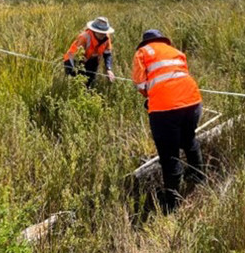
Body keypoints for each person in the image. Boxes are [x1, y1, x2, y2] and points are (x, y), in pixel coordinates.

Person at [131, 29, 205, 213]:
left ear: (145, 42)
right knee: (189, 140)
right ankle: (199, 178)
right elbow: (180, 76)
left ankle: (171, 203)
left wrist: (150, 96)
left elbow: (141, 84)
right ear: (163, 40)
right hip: (193, 102)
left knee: (169, 155)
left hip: (165, 109)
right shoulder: (176, 52)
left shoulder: (142, 52)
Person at [63, 16, 116, 88]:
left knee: (89, 83)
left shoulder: (106, 38)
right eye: (100, 32)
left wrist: (108, 69)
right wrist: (81, 71)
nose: (102, 35)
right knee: (75, 84)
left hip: (91, 60)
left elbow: (107, 54)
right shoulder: (84, 37)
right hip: (73, 60)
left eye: (104, 33)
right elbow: (77, 56)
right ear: (94, 30)